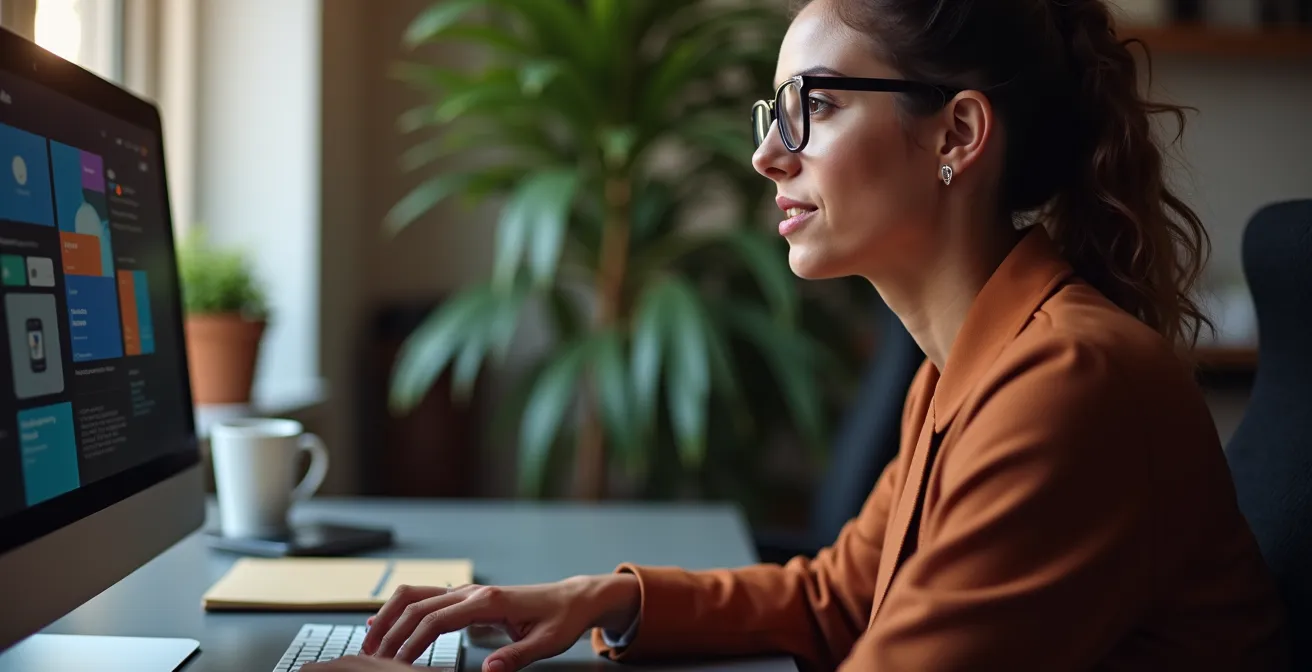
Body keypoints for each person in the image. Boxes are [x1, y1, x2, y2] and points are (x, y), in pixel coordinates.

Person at [306, 0, 1291, 670]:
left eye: (810, 106)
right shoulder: (967, 367)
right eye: (773, 111)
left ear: (956, 135)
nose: (765, 153)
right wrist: (600, 597)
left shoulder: (1067, 383)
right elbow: (840, 595)